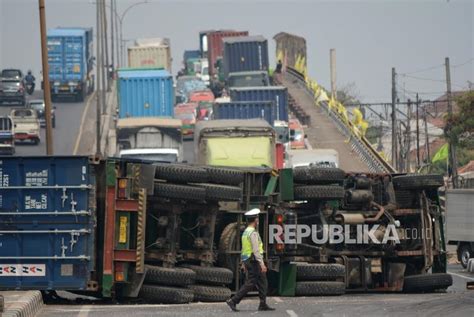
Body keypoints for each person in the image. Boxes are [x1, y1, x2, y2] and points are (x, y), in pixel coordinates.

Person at [226, 208, 275, 312]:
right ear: (256, 220)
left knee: (263, 281)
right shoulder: (253, 233)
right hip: (254, 260)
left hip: (249, 259)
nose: (258, 220)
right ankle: (233, 300)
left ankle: (263, 303)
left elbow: (244, 248)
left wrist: (243, 262)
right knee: (251, 282)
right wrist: (262, 264)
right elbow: (256, 250)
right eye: (257, 218)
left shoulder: (245, 232)